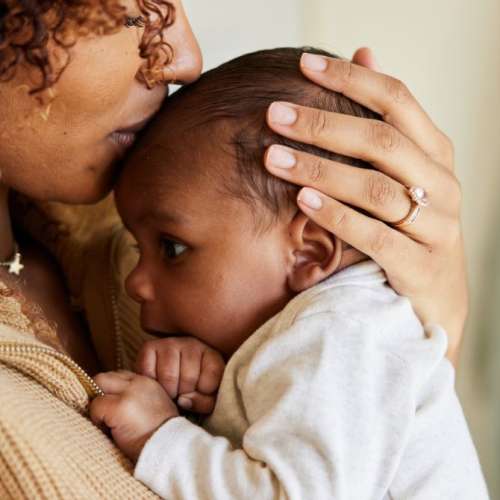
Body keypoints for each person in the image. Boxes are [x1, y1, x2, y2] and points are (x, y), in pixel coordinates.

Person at [0, 0, 469, 497]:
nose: (186, 59)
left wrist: (440, 308)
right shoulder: (167, 208)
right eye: (136, 11)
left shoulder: (178, 206)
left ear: (311, 252)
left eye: (172, 250)